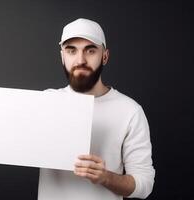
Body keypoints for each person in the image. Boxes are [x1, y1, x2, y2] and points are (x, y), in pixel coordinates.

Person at [37, 18, 155, 200]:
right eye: (71, 50)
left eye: (90, 50)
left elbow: (145, 184)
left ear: (105, 56)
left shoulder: (130, 110)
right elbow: (9, 135)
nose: (80, 60)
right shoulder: (45, 102)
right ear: (62, 56)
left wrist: (106, 177)